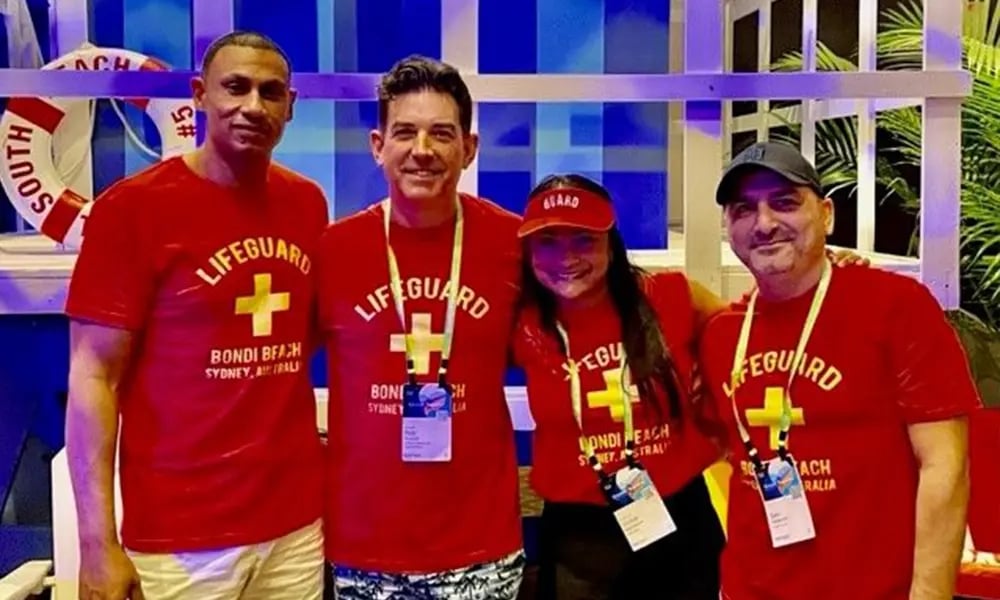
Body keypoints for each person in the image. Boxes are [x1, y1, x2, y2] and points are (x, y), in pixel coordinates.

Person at [64, 31, 327, 600]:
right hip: (177, 537)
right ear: (199, 94)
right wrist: (96, 543)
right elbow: (93, 376)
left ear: (290, 107)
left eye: (270, 92)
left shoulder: (307, 204)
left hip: (295, 524)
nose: (253, 106)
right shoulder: (131, 211)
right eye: (235, 87)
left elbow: (296, 343)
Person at [696, 141, 980, 600]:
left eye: (785, 203)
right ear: (728, 227)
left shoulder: (896, 307)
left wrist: (929, 593)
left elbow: (945, 465)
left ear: (826, 214)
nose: (764, 223)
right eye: (743, 209)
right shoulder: (723, 334)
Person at [315, 56, 525, 599]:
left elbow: (597, 308)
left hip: (482, 549)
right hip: (364, 549)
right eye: (405, 132)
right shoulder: (334, 250)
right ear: (377, 146)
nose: (423, 150)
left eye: (442, 133)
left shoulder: (513, 245)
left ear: (470, 149)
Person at [511, 173, 729, 599]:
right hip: (581, 532)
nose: (566, 257)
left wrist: (832, 275)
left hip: (678, 512)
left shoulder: (669, 295)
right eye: (548, 241)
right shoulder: (523, 324)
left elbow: (749, 333)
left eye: (584, 240)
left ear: (611, 244)